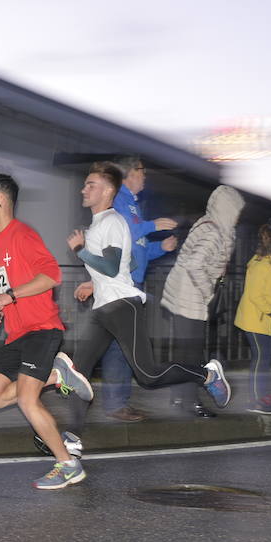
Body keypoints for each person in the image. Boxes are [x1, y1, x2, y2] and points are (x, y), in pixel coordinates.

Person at [64, 163, 232, 429]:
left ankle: (207, 374)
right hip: (105, 305)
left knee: (147, 375)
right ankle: (69, 439)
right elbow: (126, 265)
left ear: (108, 190)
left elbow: (110, 265)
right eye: (84, 184)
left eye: (90, 185)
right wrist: (96, 283)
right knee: (78, 374)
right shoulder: (98, 225)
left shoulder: (113, 221)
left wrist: (81, 250)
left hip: (121, 307)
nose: (83, 189)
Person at [0, 173, 91, 490]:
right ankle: (56, 376)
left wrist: (10, 296)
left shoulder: (22, 234)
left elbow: (52, 275)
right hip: (16, 334)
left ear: (1, 200)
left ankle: (68, 465)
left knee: (28, 401)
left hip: (42, 329)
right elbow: (4, 288)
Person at [97, 156, 177, 422]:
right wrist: (154, 225)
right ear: (130, 173)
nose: (145, 176)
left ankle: (118, 401)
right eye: (142, 171)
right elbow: (126, 233)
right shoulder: (119, 198)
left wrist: (160, 248)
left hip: (132, 283)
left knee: (124, 344)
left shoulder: (132, 204)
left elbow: (138, 245)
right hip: (123, 283)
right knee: (120, 346)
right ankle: (115, 404)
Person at [159, 184, 245, 417]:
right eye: (235, 210)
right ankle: (190, 400)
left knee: (183, 351)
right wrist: (207, 291)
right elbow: (195, 264)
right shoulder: (215, 231)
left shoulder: (212, 225)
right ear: (226, 208)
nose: (237, 216)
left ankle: (179, 397)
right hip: (190, 298)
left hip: (184, 295)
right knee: (192, 353)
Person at [234, 223, 271, 414]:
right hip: (255, 320)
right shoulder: (262, 265)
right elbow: (255, 295)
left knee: (265, 359)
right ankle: (254, 400)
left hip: (264, 321)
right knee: (260, 360)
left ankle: (262, 394)